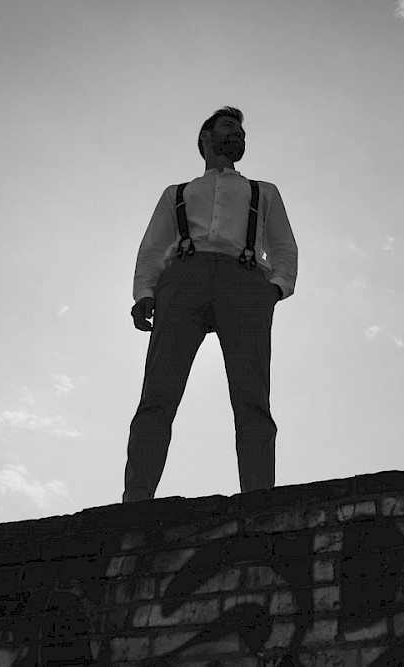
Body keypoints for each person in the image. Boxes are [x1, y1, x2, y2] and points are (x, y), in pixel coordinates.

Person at [123, 106, 298, 503]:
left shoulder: (262, 191)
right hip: (184, 278)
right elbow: (152, 247)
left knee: (252, 397)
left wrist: (274, 290)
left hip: (245, 282)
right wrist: (144, 293)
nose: (238, 135)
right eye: (228, 127)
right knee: (158, 394)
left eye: (241, 131)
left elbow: (284, 246)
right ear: (205, 138)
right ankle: (136, 499)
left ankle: (259, 497)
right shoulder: (178, 194)